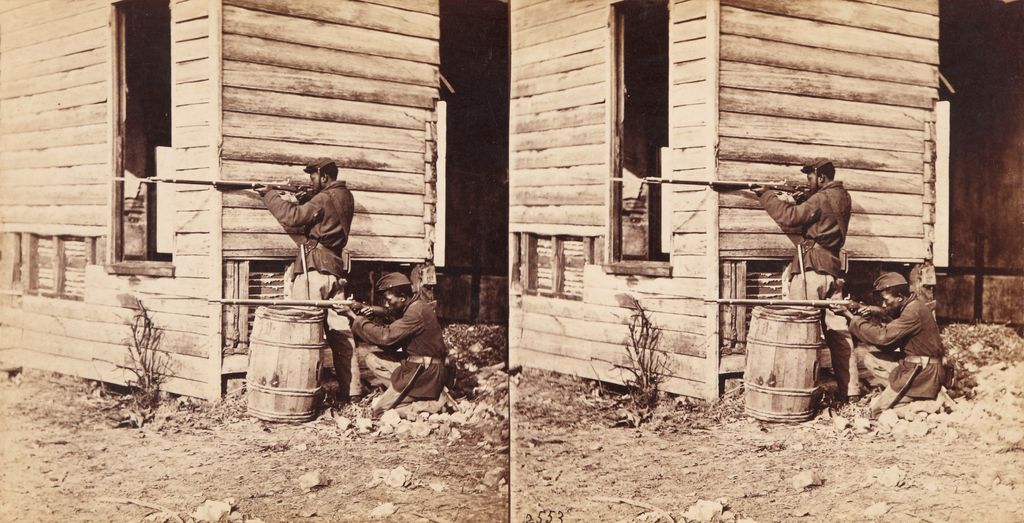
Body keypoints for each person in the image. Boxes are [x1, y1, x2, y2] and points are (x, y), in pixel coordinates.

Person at [752, 158, 859, 402]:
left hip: (812, 270)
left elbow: (789, 217)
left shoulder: (820, 199)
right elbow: (822, 217)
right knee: (839, 332)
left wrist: (767, 195)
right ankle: (851, 391)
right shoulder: (843, 196)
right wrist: (802, 197)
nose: (808, 182)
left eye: (810, 178)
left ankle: (800, 393)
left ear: (821, 177)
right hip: (832, 270)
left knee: (802, 330)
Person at [255, 157, 362, 400]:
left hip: (315, 271)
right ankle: (353, 391)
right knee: (341, 333)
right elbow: (324, 217)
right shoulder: (345, 196)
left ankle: (299, 392)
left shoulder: (323, 198)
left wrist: (270, 195)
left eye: (313, 177)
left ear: (324, 177)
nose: (310, 181)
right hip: (335, 271)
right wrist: (306, 198)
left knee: (300, 329)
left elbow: (292, 217)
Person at [334, 273, 448, 416]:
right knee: (372, 358)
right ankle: (411, 395)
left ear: (402, 297)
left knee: (379, 410)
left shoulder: (415, 313)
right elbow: (391, 325)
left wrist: (354, 317)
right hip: (419, 367)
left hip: (425, 374)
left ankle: (430, 404)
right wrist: (367, 309)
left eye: (389, 300)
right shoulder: (415, 306)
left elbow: (385, 337)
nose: (387, 304)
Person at [834, 272, 945, 418]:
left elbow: (882, 337)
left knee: (877, 411)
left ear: (900, 297)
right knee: (871, 358)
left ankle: (924, 398)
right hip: (915, 367)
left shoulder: (913, 312)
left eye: (886, 300)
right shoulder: (912, 305)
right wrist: (872, 315)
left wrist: (851, 317)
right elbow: (888, 344)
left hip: (923, 374)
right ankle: (910, 394)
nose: (883, 304)